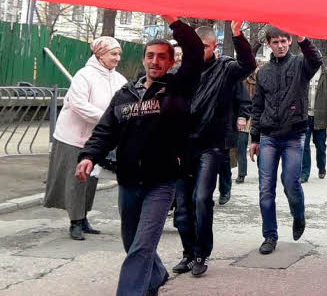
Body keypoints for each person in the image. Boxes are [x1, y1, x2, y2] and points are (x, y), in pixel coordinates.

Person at [75, 16, 203, 296]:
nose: (154, 61)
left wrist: (173, 21)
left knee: (143, 246)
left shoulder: (178, 88)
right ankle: (156, 275)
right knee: (131, 242)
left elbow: (194, 51)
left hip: (162, 181)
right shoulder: (125, 93)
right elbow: (105, 131)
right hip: (129, 181)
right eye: (150, 56)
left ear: (171, 63)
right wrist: (88, 157)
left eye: (161, 57)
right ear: (143, 59)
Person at [172, 21, 255, 277]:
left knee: (201, 199)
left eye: (203, 47)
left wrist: (238, 35)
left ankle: (200, 253)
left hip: (211, 146)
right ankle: (187, 253)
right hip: (183, 146)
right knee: (183, 206)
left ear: (215, 46)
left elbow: (248, 66)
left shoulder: (225, 68)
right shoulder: (181, 72)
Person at [248, 27, 323, 255]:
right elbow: (257, 106)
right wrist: (254, 138)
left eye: (283, 41)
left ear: (289, 42)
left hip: (293, 135)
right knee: (265, 189)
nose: (280, 45)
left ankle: (298, 215)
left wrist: (303, 38)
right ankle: (270, 235)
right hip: (269, 136)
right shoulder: (264, 72)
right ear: (269, 44)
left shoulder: (301, 64)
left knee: (291, 183)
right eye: (275, 42)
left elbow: (316, 59)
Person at [45, 36, 127, 240]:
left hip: (98, 140)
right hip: (74, 137)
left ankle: (84, 217)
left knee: (91, 179)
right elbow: (78, 104)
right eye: (113, 54)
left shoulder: (118, 79)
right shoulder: (84, 75)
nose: (117, 58)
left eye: (119, 54)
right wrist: (108, 119)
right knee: (76, 179)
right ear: (100, 55)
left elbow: (127, 101)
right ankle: (74, 221)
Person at [301, 65, 327, 182]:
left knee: (320, 145)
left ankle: (321, 167)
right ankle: (304, 173)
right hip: (305, 116)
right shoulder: (303, 72)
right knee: (304, 145)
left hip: (321, 116)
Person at [216, 78, 252, 203]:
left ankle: (225, 189)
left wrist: (242, 116)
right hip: (204, 126)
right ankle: (205, 194)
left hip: (225, 124)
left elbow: (245, 101)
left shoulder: (231, 75)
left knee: (223, 159)